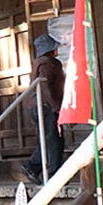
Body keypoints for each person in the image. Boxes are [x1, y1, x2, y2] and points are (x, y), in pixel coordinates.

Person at [22, 34, 64, 185]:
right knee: (54, 140)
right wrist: (56, 106)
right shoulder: (49, 64)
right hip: (45, 106)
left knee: (49, 139)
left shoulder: (39, 63)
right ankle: (53, 174)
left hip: (38, 105)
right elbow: (44, 87)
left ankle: (33, 167)